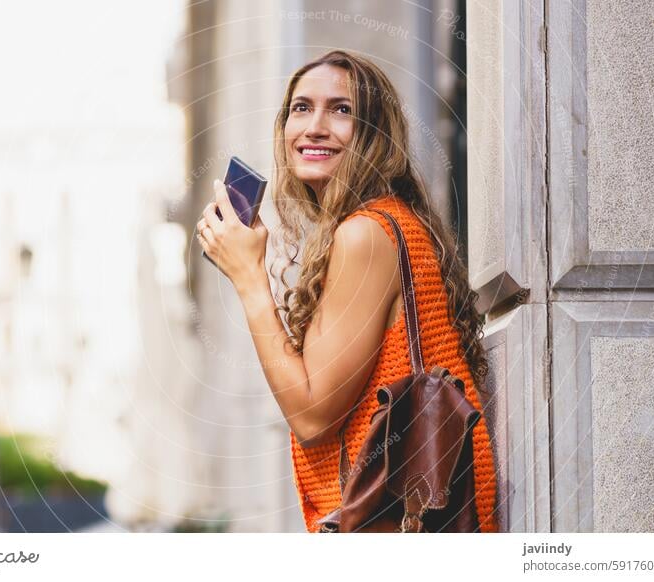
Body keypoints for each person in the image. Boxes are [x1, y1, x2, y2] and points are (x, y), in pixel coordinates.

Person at [196, 49, 498, 533]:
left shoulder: (365, 234)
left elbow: (314, 415)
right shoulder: (388, 224)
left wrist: (249, 277)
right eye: (301, 108)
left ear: (374, 135)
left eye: (342, 110)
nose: (315, 126)